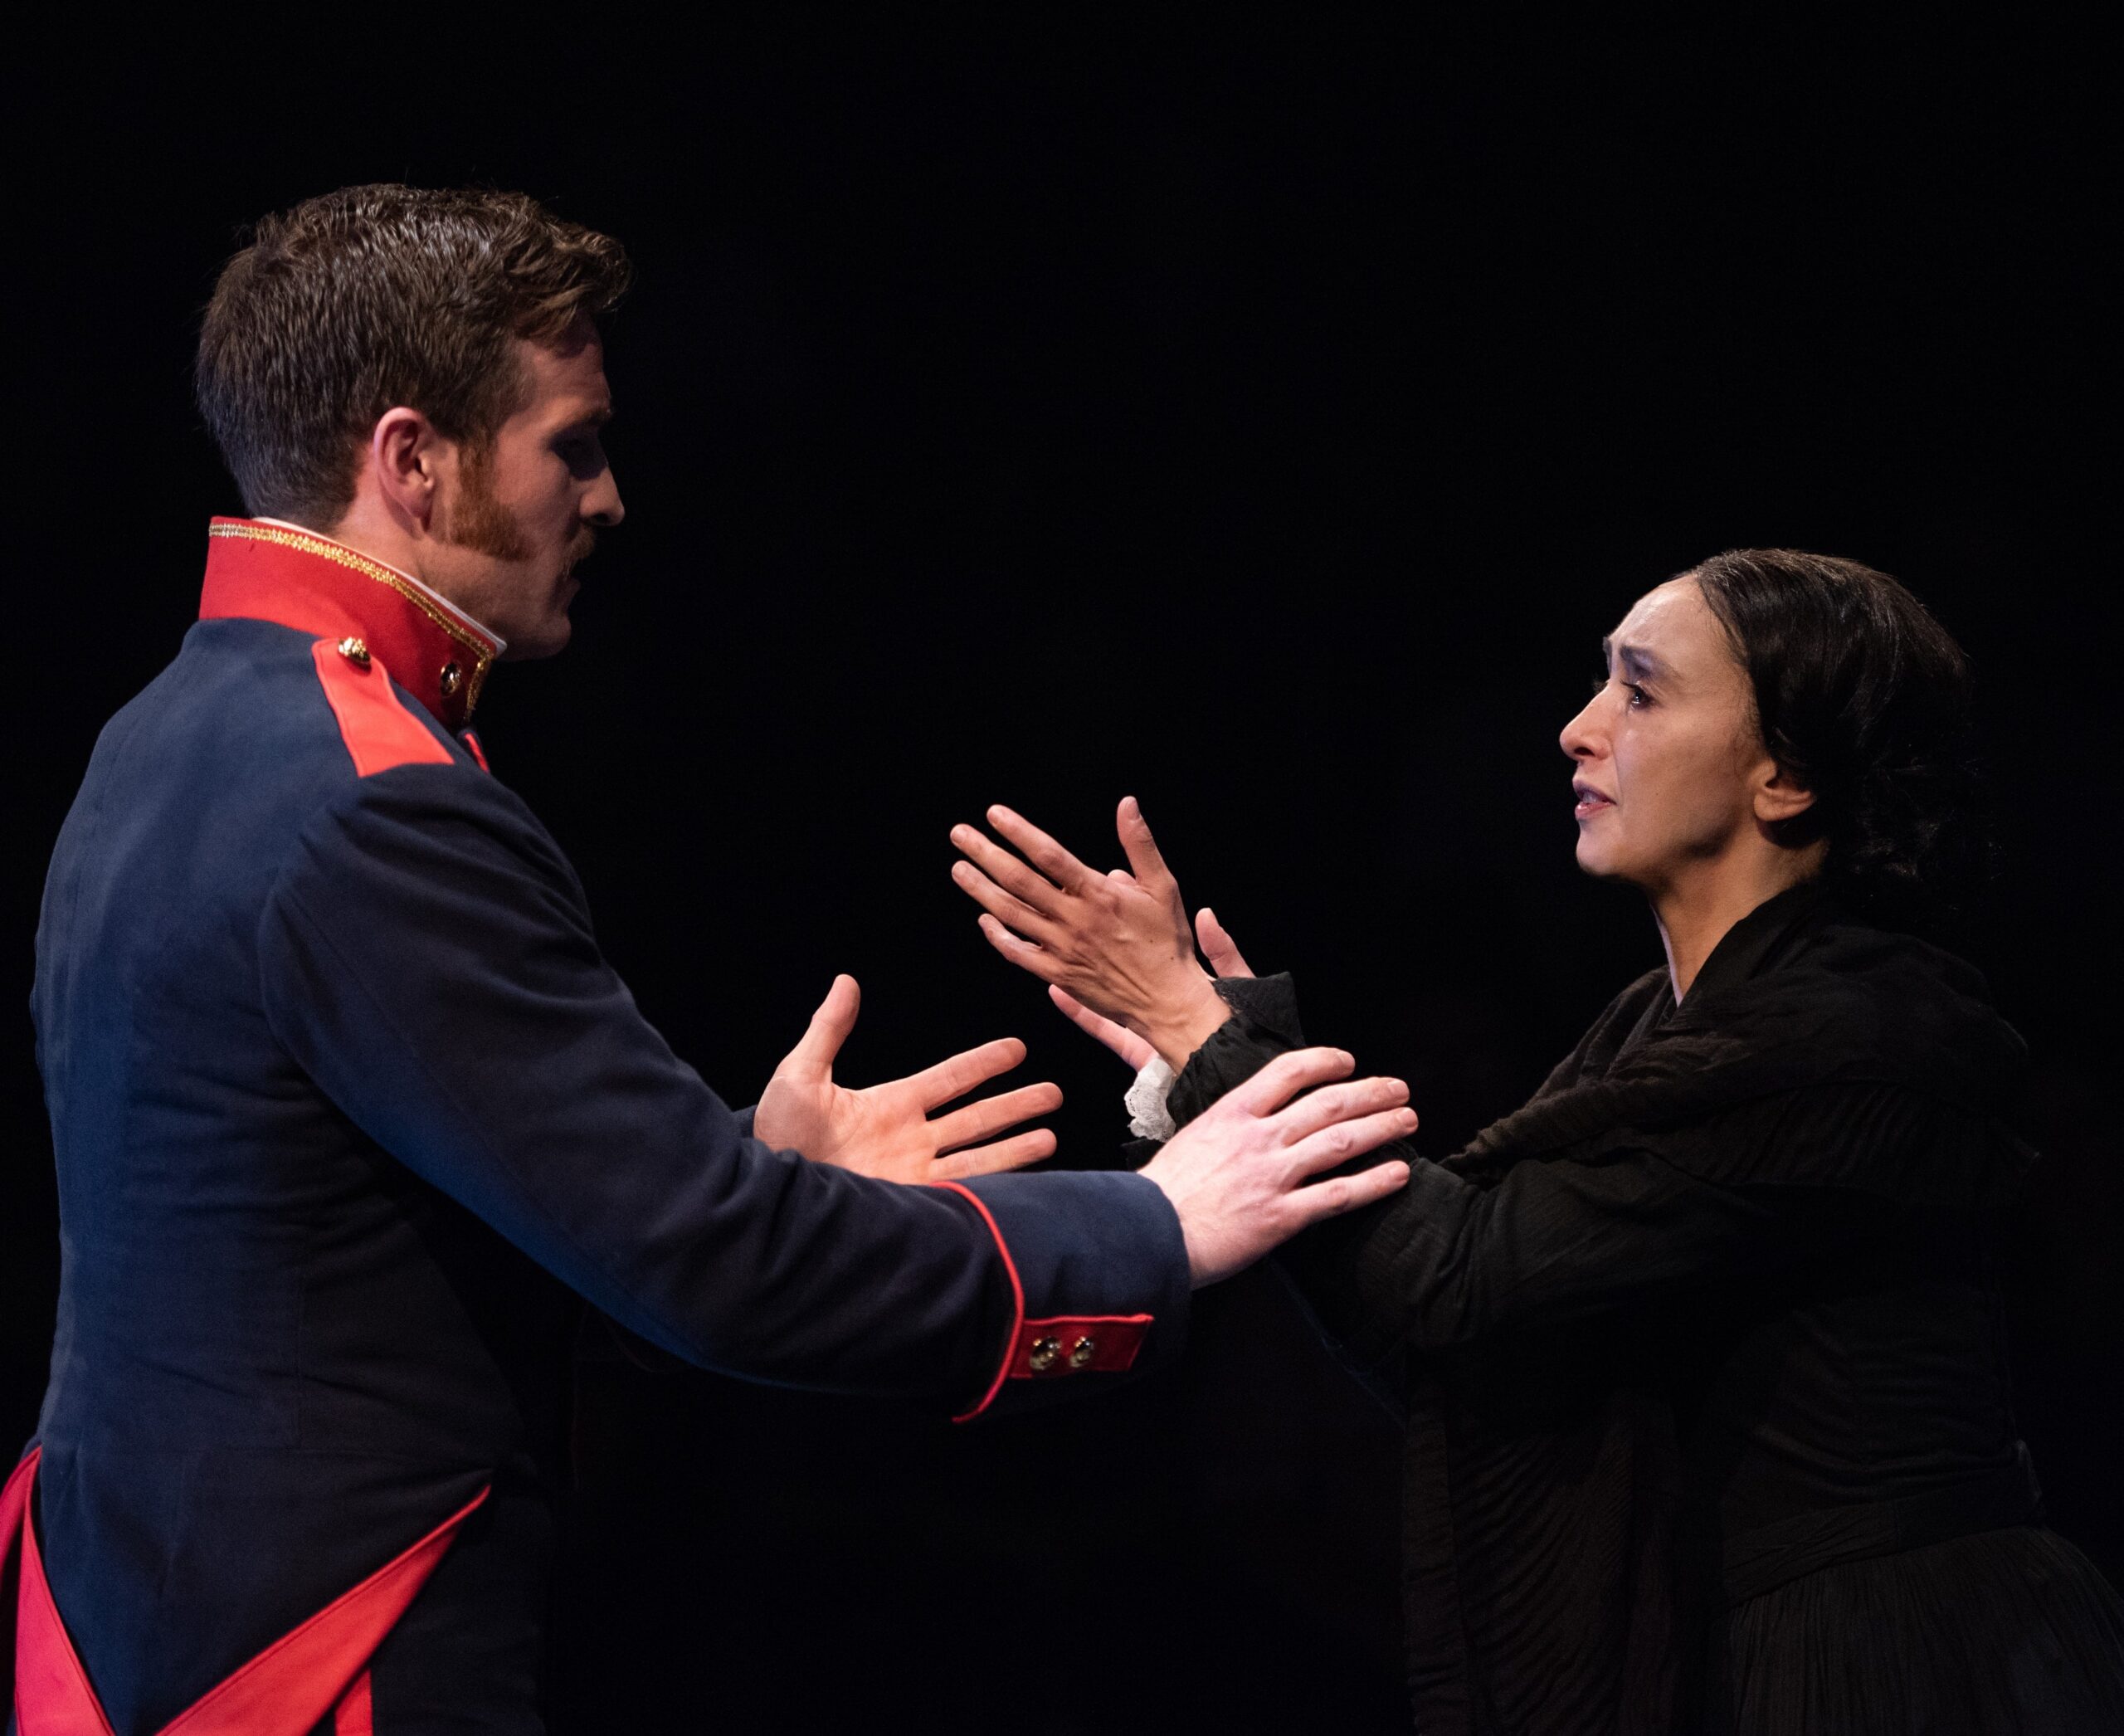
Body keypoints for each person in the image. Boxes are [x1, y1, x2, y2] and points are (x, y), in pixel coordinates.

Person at [0, 185, 1415, 1736]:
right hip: (322, 1662)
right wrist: (1151, 1229)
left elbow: (322, 1239)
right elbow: (718, 1270)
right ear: (411, 461)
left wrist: (749, 1168)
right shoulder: (374, 801)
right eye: (573, 445)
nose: (608, 499)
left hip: (127, 1630)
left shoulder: (156, 741)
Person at [951, 549, 2124, 1733]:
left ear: (1785, 774)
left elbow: (1463, 1271)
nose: (1576, 728)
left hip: (1895, 1666)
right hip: (1755, 1651)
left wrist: (1209, 1040)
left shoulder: (1855, 1025)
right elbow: (1448, 1334)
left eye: (1641, 692)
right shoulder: (1660, 1026)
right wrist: (1216, 1074)